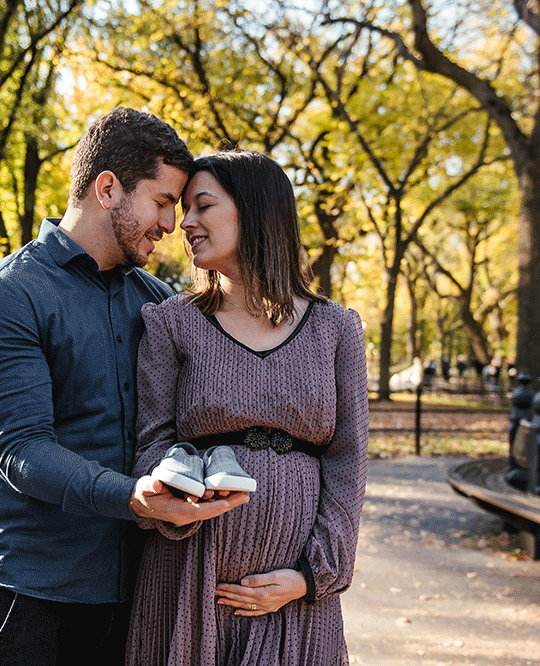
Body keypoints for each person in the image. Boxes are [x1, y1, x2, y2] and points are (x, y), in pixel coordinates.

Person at [0, 108, 248, 666]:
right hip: (27, 592)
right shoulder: (8, 296)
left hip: (134, 595)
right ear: (108, 188)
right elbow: (23, 451)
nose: (173, 224)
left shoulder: (159, 303)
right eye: (163, 202)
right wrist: (134, 499)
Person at [125, 150, 369, 665]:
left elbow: (348, 460)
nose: (183, 223)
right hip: (190, 572)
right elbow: (152, 443)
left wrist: (309, 578)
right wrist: (173, 501)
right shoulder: (172, 323)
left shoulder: (336, 329)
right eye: (184, 208)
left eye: (202, 206)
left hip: (294, 595)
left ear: (255, 211)